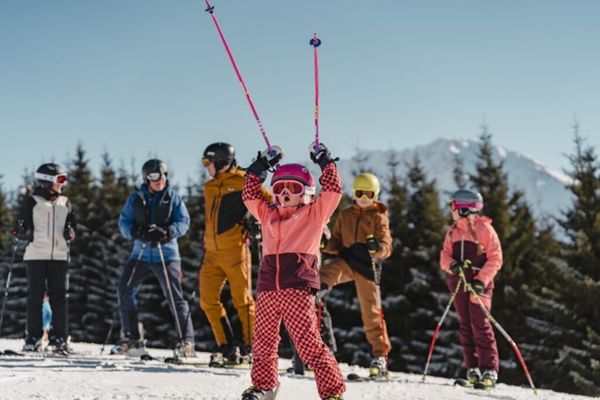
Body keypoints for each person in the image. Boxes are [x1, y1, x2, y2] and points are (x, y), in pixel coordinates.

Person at [240, 143, 346, 400]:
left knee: (308, 344)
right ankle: (265, 386)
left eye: (294, 188)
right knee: (263, 342)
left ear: (307, 193)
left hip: (297, 288)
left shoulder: (314, 215)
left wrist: (326, 163)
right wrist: (259, 168)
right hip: (267, 287)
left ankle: (333, 392)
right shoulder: (267, 216)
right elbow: (250, 195)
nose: (285, 193)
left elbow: (333, 191)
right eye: (279, 188)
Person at [114, 159, 195, 357]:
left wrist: (168, 232)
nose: (160, 180)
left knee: (174, 296)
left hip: (166, 254)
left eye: (163, 175)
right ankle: (132, 339)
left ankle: (186, 342)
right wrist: (135, 231)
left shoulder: (172, 197)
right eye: (154, 176)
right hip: (140, 252)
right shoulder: (136, 198)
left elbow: (184, 221)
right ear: (146, 178)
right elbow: (124, 221)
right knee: (125, 289)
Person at [200, 142, 270, 366]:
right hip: (211, 253)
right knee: (207, 300)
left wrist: (255, 221)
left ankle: (253, 347)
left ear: (220, 161)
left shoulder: (242, 181)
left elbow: (268, 201)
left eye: (207, 162)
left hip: (235, 249)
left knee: (243, 300)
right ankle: (227, 346)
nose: (205, 167)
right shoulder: (210, 186)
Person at [320, 172, 393, 377]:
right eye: (360, 193)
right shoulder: (345, 215)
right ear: (354, 192)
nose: (363, 198)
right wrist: (325, 245)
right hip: (347, 260)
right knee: (321, 276)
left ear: (375, 195)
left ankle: (380, 356)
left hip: (367, 267)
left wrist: (376, 248)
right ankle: (313, 299)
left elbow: (387, 247)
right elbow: (336, 242)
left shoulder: (379, 217)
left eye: (368, 194)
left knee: (371, 311)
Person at [439, 189, 502, 389]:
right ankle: (472, 368)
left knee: (480, 324)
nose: (451, 210)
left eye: (453, 206)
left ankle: (489, 369)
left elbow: (495, 258)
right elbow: (444, 257)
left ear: (465, 209)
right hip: (458, 283)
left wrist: (481, 280)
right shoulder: (453, 231)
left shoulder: (484, 230)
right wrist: (453, 266)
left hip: (478, 285)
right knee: (465, 324)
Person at [12, 163, 76, 354]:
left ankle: (59, 339)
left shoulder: (65, 202)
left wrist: (70, 231)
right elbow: (21, 223)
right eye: (60, 179)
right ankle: (33, 338)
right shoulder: (32, 201)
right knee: (35, 297)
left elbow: (72, 224)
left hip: (59, 255)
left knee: (60, 298)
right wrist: (21, 230)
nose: (63, 184)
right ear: (48, 181)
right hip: (36, 254)